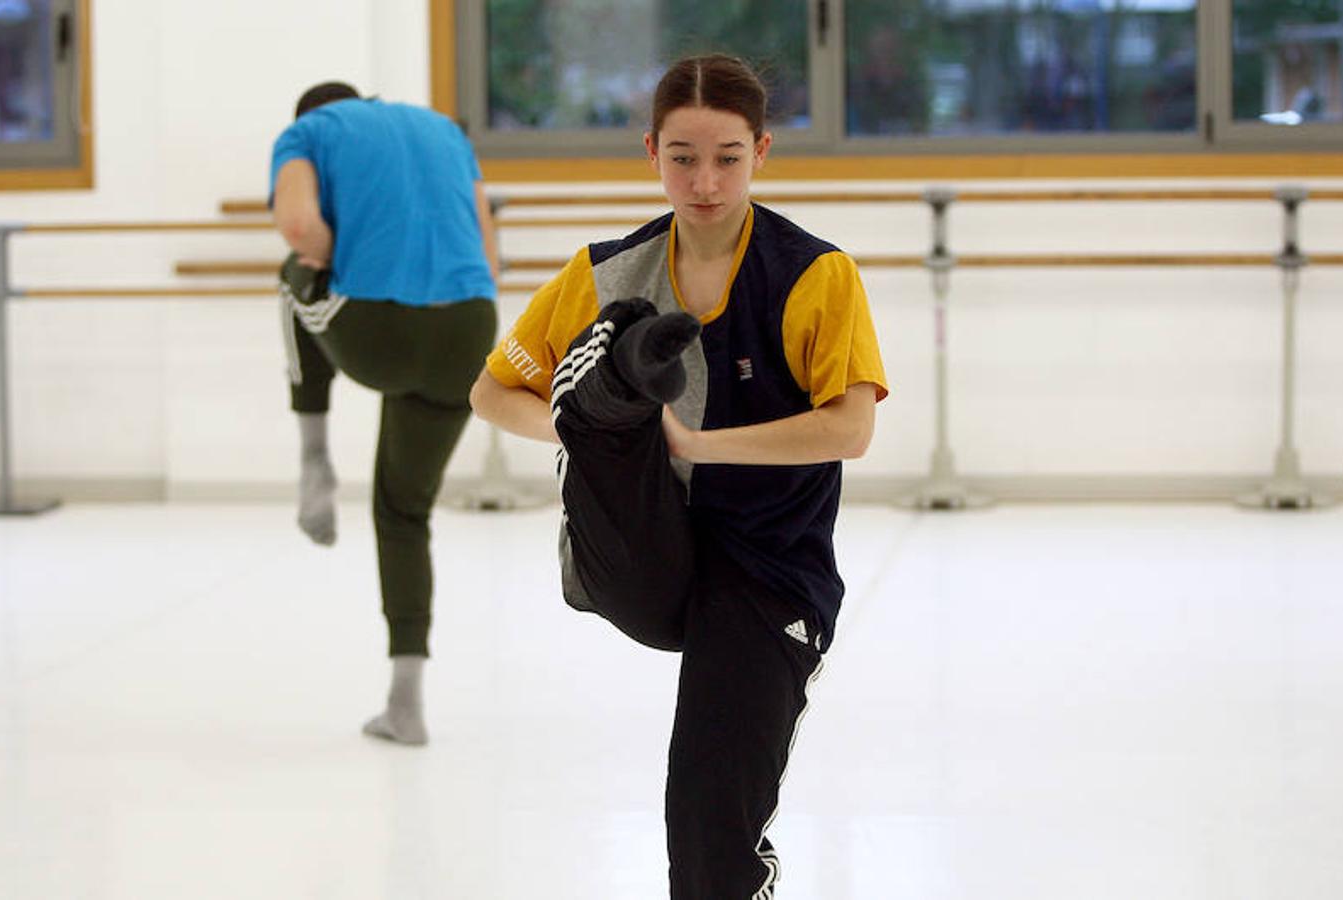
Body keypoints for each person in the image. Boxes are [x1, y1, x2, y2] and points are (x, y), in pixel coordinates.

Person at [469, 54, 888, 899]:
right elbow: (490, 391)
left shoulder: (814, 273)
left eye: (728, 157)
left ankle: (615, 395)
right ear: (651, 152)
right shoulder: (603, 270)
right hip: (640, 552)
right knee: (598, 418)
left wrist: (693, 444)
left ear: (762, 151)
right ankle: (609, 392)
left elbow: (851, 428)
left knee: (706, 826)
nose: (705, 181)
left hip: (767, 572)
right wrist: (573, 425)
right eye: (684, 156)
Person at [270, 81, 499, 745]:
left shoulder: (307, 134)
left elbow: (297, 227)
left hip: (376, 331)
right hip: (467, 333)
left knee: (293, 280)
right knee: (403, 513)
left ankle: (313, 456)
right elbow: (490, 253)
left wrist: (348, 260)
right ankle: (406, 703)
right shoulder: (446, 132)